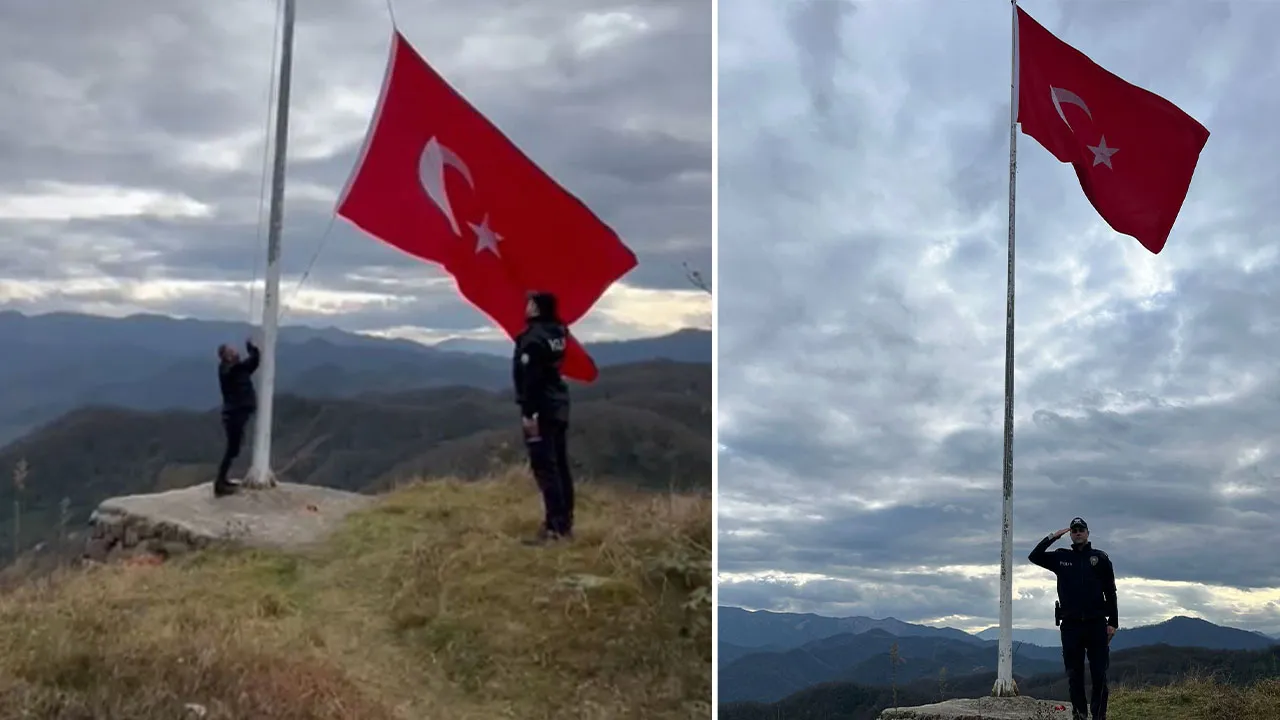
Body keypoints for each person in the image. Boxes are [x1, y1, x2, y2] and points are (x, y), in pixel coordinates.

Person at [1028, 517, 1118, 720]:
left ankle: (1098, 716)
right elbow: (1034, 556)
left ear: (1087, 533)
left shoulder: (1100, 558)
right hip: (1071, 626)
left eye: (1081, 529)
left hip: (1096, 624)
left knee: (1099, 675)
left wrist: (1113, 622)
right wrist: (1052, 536)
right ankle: (1079, 715)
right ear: (1070, 534)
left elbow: (1110, 592)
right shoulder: (1061, 558)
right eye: (1074, 530)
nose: (1078, 532)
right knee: (1074, 676)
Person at [513, 290, 573, 544]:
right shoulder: (558, 333)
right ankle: (564, 523)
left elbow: (530, 379)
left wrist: (529, 414)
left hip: (541, 409)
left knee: (546, 469)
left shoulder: (532, 339)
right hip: (559, 404)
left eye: (530, 303)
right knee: (559, 465)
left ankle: (554, 529)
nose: (525, 306)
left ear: (537, 308)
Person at [215, 337, 260, 497]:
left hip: (234, 414)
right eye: (232, 351)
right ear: (226, 356)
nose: (236, 352)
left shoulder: (231, 369)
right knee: (231, 449)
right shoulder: (231, 370)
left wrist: (252, 350)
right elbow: (249, 364)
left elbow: (251, 363)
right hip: (234, 414)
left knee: (233, 449)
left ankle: (222, 481)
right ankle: (219, 483)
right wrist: (251, 350)